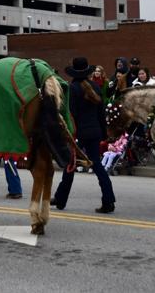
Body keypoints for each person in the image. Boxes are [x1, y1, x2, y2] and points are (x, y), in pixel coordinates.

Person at [51, 57, 115, 213]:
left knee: (70, 165)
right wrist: (104, 133)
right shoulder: (95, 86)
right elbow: (101, 113)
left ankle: (61, 199)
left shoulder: (72, 88)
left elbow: (70, 114)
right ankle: (108, 200)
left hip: (79, 133)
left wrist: (68, 133)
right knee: (97, 166)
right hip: (94, 132)